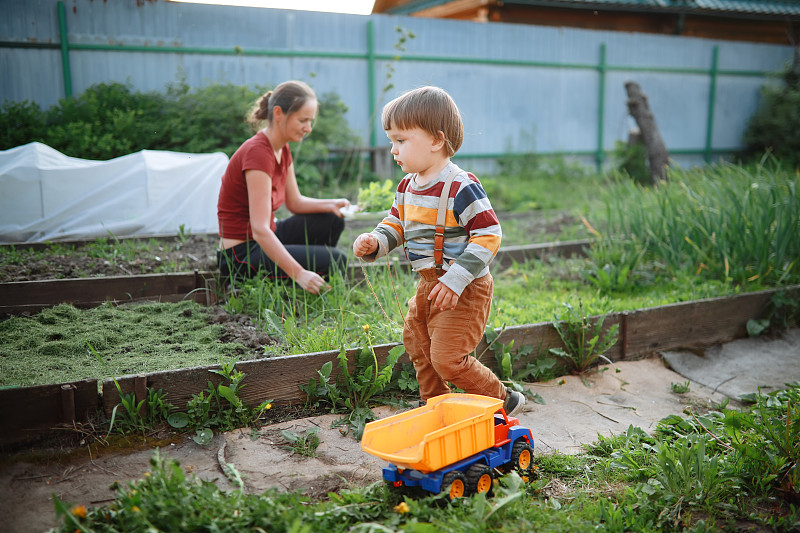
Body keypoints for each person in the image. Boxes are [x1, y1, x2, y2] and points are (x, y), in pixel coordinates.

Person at [352, 86, 525, 416]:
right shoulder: (407, 187)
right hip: (429, 284)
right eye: (391, 141)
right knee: (417, 342)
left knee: (447, 358)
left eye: (401, 141)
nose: (393, 150)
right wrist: (376, 241)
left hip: (464, 287)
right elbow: (398, 224)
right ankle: (434, 404)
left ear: (435, 140)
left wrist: (456, 279)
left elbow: (489, 234)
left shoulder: (461, 185)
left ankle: (502, 398)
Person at [217, 80, 349, 294]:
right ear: (278, 113)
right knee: (336, 261)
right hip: (240, 256)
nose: (308, 128)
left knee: (332, 219)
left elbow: (295, 202)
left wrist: (332, 204)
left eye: (311, 121)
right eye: (303, 120)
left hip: (264, 238)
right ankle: (299, 283)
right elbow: (260, 229)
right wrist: (299, 273)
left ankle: (302, 281)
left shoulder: (282, 149)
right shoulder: (258, 153)